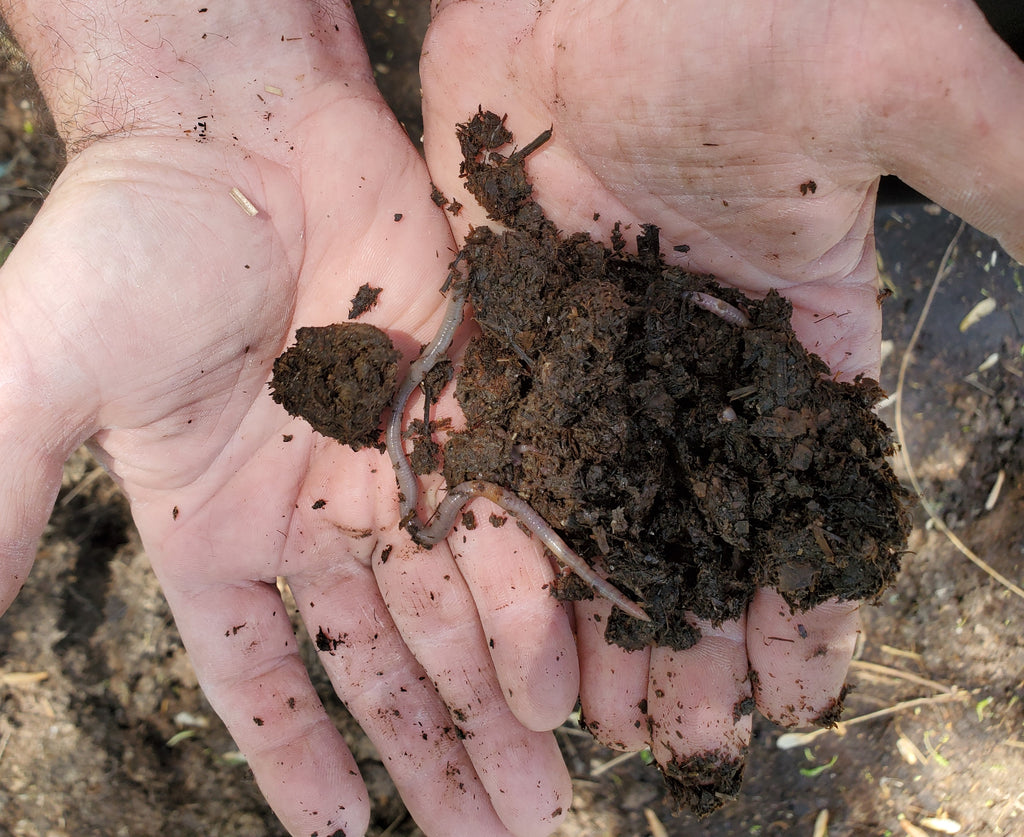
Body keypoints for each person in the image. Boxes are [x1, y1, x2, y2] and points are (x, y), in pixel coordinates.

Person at [0, 1, 1020, 835]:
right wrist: (184, 89)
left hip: (708, 108)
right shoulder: (451, 379)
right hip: (416, 86)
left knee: (856, 151)